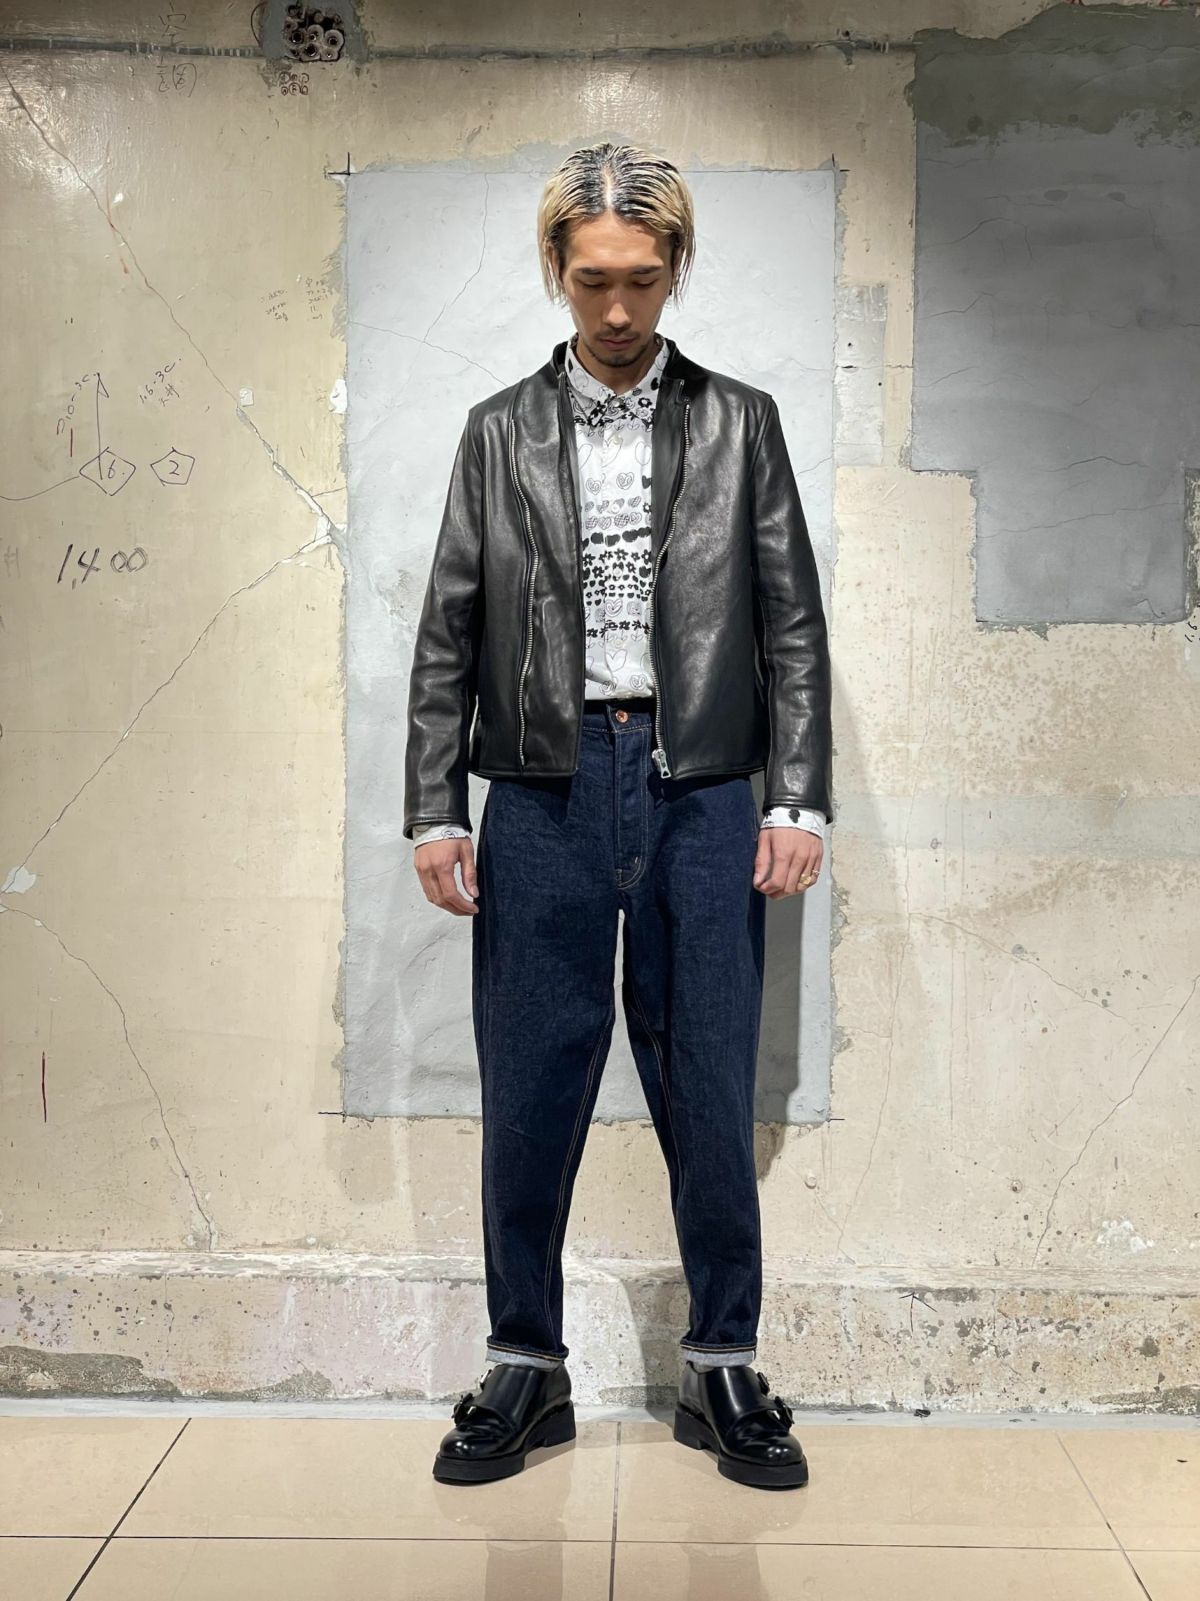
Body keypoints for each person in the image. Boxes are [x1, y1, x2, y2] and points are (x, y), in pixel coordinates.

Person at [403, 142, 832, 1491]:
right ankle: (525, 1365)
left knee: (709, 1073)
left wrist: (796, 794)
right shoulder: (498, 432)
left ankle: (723, 1362)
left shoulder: (741, 423)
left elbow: (792, 623)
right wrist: (434, 807)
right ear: (556, 270)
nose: (619, 308)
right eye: (594, 280)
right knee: (532, 1080)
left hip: (702, 789)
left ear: (676, 269)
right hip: (541, 788)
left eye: (643, 279)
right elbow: (449, 627)